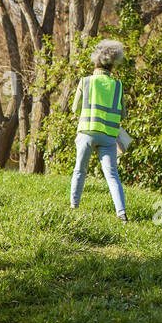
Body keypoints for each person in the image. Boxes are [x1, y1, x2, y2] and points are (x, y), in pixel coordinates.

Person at [70, 39, 129, 222]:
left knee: (80, 170)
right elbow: (123, 114)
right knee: (112, 176)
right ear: (112, 65)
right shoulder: (118, 86)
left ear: (96, 62)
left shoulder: (86, 81)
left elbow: (74, 108)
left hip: (87, 132)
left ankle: (74, 207)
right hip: (109, 136)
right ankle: (121, 213)